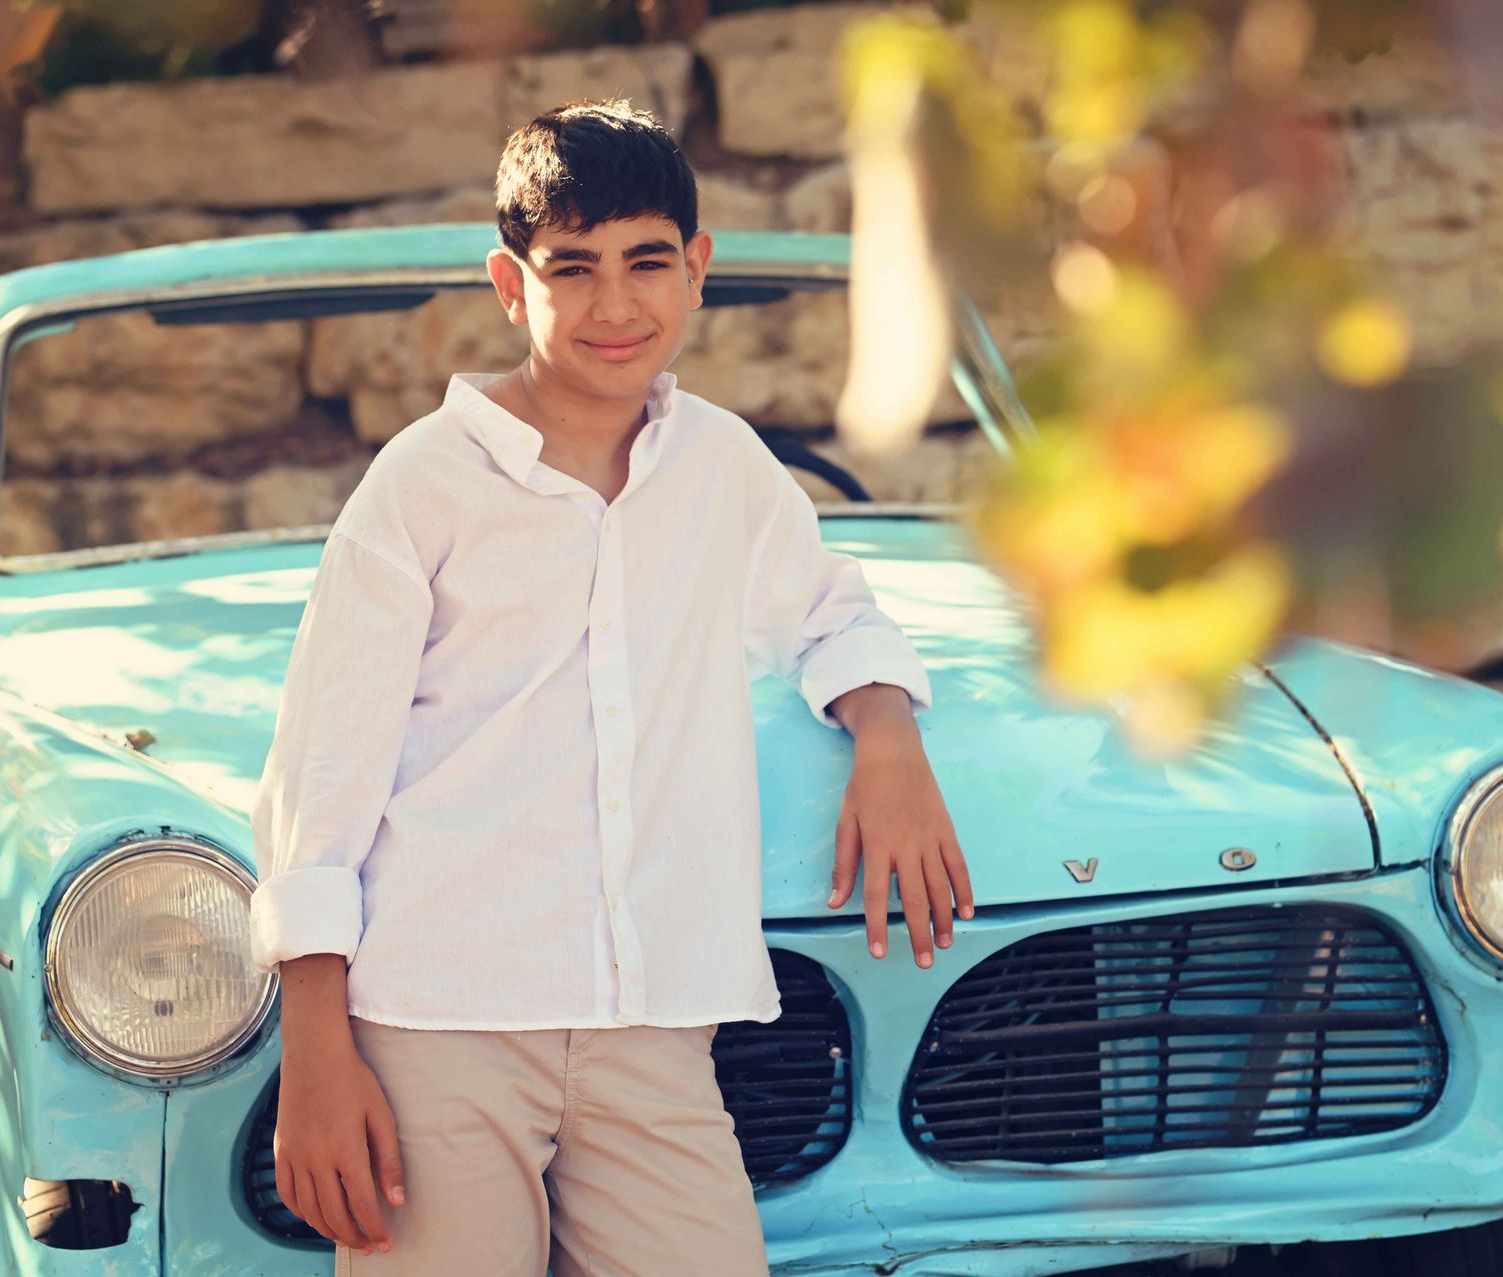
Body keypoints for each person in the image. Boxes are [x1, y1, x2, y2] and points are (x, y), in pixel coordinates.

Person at [248, 96, 974, 1276]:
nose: (615, 304)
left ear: (697, 269)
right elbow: (320, 781)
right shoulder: (421, 485)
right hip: (441, 1018)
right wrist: (317, 1053)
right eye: (572, 268)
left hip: (654, 1023)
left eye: (646, 261)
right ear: (510, 283)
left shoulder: (723, 465)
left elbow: (832, 612)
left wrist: (888, 739)